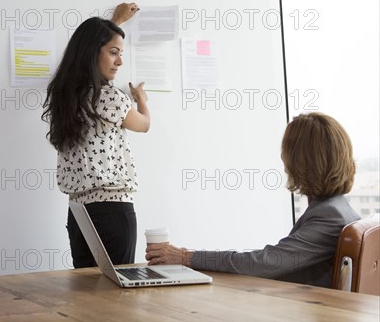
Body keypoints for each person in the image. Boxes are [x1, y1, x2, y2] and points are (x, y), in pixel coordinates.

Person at [145, 112, 360, 288]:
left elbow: (264, 262)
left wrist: (185, 257)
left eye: (286, 152)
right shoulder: (339, 208)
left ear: (302, 161)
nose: (283, 160)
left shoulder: (329, 216)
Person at [42, 2, 150, 268]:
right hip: (112, 210)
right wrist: (142, 100)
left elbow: (94, 46)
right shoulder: (109, 97)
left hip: (78, 213)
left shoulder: (64, 95)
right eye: (115, 53)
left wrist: (116, 22)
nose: (120, 61)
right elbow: (144, 124)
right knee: (116, 298)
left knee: (86, 298)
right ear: (93, 52)